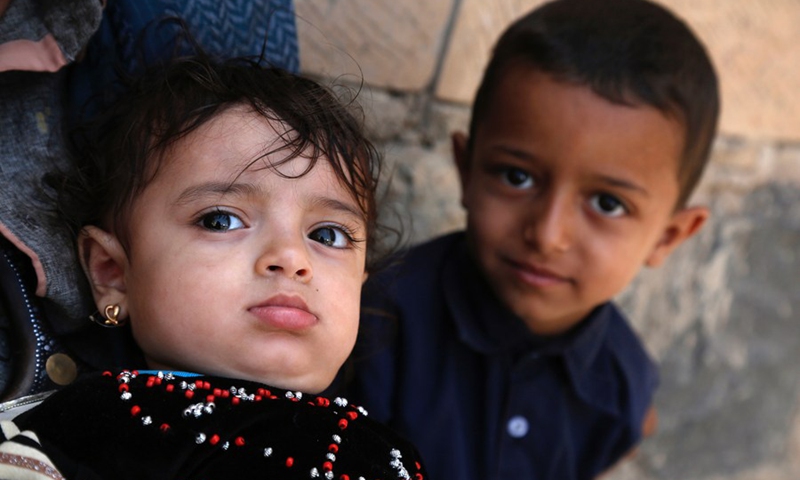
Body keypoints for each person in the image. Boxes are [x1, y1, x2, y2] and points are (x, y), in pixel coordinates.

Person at [0, 49, 427, 480]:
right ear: (113, 274)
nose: (292, 259)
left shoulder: (378, 447)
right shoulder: (82, 431)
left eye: (327, 235)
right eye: (221, 220)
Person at [347, 0, 720, 479]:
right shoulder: (371, 321)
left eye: (607, 203)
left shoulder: (624, 389)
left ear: (667, 237)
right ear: (466, 169)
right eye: (516, 176)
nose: (547, 235)